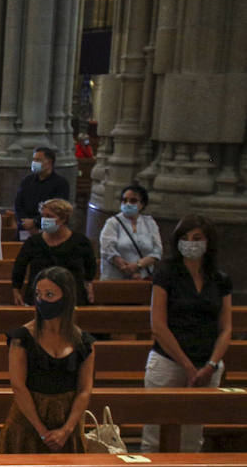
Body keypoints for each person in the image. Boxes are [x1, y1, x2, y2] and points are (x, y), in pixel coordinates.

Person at [0, 266, 94, 467]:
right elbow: (17, 386)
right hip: (29, 419)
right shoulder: (22, 336)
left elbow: (85, 389)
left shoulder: (82, 341)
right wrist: (40, 429)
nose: (42, 300)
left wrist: (65, 429)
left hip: (65, 421)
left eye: (50, 295)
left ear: (66, 298)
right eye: (38, 294)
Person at [145, 215, 233, 451]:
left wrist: (210, 365)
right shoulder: (166, 275)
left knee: (193, 434)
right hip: (168, 361)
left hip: (207, 364)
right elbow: (158, 326)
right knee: (155, 432)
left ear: (207, 243)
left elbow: (226, 328)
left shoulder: (219, 279)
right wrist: (187, 366)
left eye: (197, 238)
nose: (190, 243)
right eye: (185, 238)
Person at [10, 198, 95, 305]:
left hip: (71, 298)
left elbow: (90, 268)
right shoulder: (33, 242)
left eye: (49, 216)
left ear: (63, 219)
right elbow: (19, 267)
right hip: (39, 297)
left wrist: (89, 285)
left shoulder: (81, 242)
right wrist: (16, 289)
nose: (44, 220)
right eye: (43, 216)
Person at [98, 184, 161, 280]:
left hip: (143, 278)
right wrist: (127, 269)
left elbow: (157, 251)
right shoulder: (113, 223)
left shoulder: (150, 223)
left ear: (142, 204)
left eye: (133, 201)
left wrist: (138, 266)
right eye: (124, 200)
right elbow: (107, 249)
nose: (127, 203)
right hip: (115, 278)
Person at [13, 147, 71, 237]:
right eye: (34, 160)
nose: (34, 163)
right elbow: (18, 204)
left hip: (47, 228)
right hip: (24, 228)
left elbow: (59, 209)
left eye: (38, 160)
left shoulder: (60, 183)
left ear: (50, 162)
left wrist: (35, 222)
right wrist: (23, 221)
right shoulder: (27, 181)